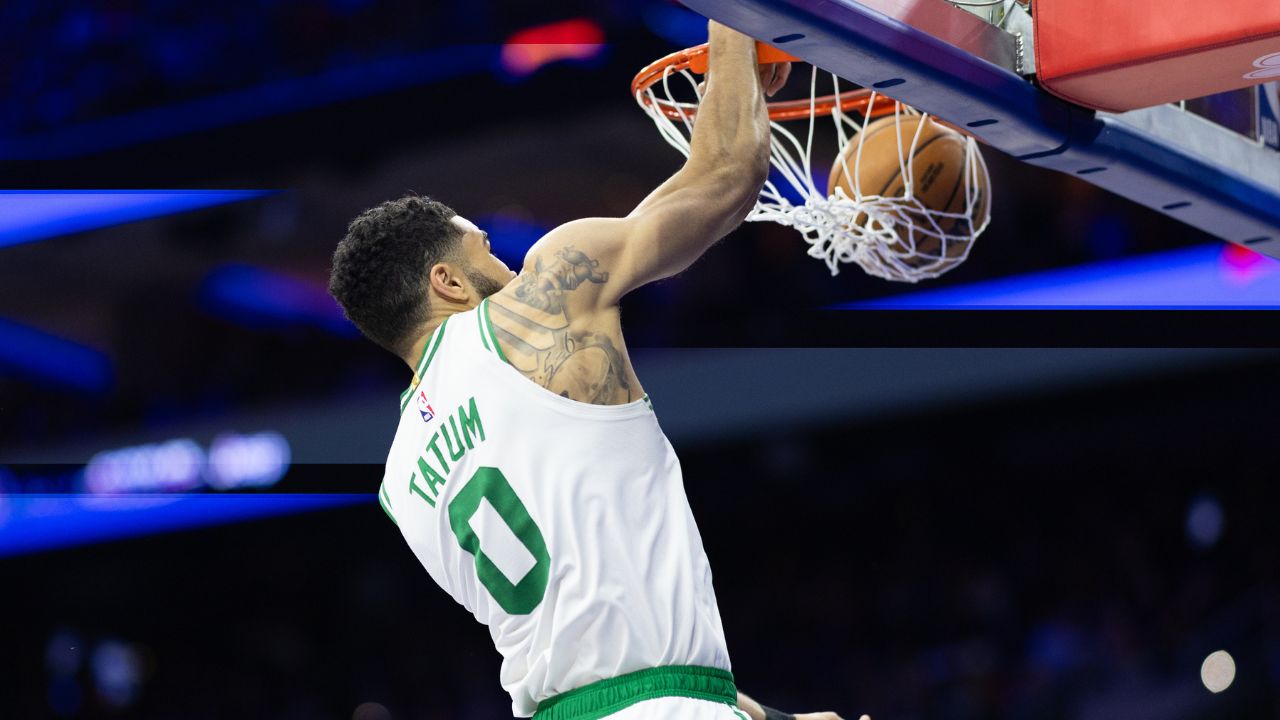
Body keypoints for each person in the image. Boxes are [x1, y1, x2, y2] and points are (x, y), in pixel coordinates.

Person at [329, 21, 859, 720]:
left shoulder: (401, 484)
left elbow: (595, 637)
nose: (510, 266)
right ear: (448, 283)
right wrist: (738, 25)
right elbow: (728, 176)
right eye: (486, 250)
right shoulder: (540, 300)